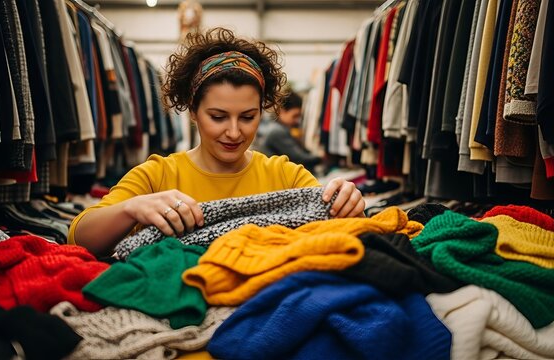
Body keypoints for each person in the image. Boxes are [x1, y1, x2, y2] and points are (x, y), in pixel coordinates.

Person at [69, 28, 365, 256]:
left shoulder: (285, 175)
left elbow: (348, 230)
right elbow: (79, 238)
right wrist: (131, 208)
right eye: (218, 117)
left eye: (247, 117)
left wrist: (349, 204)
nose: (234, 133)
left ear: (262, 111)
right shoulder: (158, 175)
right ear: (193, 111)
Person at [258, 91, 322, 171]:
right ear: (282, 111)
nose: (297, 120)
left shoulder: (273, 127)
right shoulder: (277, 131)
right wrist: (321, 157)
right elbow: (299, 158)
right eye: (295, 116)